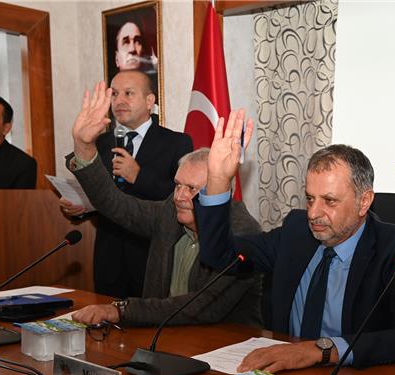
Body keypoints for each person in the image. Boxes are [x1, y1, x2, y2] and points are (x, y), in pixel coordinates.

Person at [196, 110, 395, 373]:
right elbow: (219, 255)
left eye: (329, 201)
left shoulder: (394, 248)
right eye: (310, 198)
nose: (313, 213)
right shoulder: (296, 231)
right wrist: (217, 180)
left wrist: (321, 350)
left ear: (364, 201)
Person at [65, 81, 261, 328]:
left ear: (219, 190)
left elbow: (202, 307)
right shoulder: (170, 212)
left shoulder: (242, 231)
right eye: (178, 185)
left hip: (224, 342)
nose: (179, 196)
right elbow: (115, 204)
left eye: (191, 188)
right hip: (163, 337)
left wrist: (122, 310)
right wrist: (84, 147)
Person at [62, 70, 193, 298]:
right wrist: (81, 208)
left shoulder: (176, 142)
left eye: (128, 93)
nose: (119, 101)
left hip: (151, 254)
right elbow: (101, 194)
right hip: (109, 256)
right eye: (114, 94)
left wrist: (139, 176)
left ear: (149, 101)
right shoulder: (98, 142)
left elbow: (181, 199)